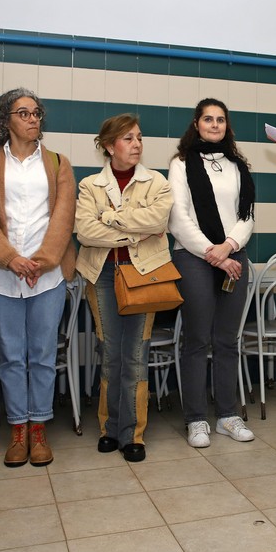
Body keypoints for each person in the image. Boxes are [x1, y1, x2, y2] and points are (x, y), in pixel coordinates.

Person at [0, 88, 76, 467]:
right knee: (12, 356)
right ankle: (18, 428)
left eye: (36, 113)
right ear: (5, 120)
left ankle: (39, 427)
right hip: (1, 277)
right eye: (24, 113)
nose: (33, 119)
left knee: (43, 355)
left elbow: (63, 217)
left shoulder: (59, 163)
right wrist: (12, 259)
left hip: (47, 277)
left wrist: (41, 262)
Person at [76, 114, 173, 462]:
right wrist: (135, 232)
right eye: (128, 138)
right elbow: (85, 232)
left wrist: (109, 219)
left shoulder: (156, 182)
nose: (137, 144)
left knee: (135, 355)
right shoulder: (90, 185)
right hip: (102, 273)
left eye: (139, 138)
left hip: (144, 273)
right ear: (108, 145)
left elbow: (158, 220)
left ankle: (133, 434)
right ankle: (109, 429)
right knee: (110, 353)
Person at [168, 98, 255, 448]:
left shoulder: (238, 165)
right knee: (197, 340)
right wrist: (214, 253)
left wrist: (229, 246)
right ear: (196, 124)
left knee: (227, 340)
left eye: (220, 119)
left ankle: (228, 416)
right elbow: (178, 218)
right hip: (194, 258)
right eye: (208, 119)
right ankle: (196, 419)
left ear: (226, 126)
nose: (215, 124)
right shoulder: (180, 163)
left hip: (233, 256)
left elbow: (247, 215)